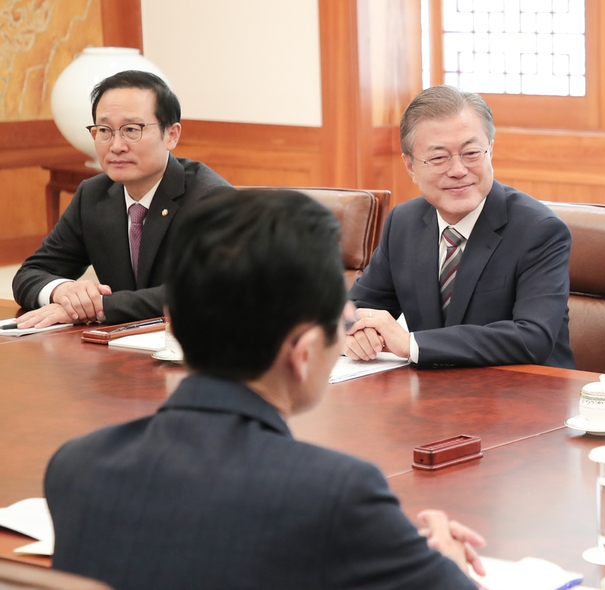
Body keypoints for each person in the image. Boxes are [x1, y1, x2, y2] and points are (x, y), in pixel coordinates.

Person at [44, 189, 485, 590]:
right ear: (304, 352)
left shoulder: (77, 466)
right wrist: (445, 562)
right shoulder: (335, 494)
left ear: (174, 324)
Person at [345, 85, 575, 369]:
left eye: (471, 153)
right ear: (410, 166)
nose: (457, 170)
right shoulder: (403, 223)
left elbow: (532, 338)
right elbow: (353, 309)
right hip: (432, 396)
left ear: (490, 150)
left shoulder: (539, 231)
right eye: (439, 158)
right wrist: (354, 333)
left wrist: (412, 344)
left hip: (525, 398)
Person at [12, 70, 229, 327]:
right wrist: (62, 291)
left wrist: (98, 307)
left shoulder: (211, 199)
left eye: (131, 130)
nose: (116, 146)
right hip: (117, 351)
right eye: (104, 130)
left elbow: (201, 292)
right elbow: (30, 273)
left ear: (171, 134)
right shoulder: (93, 195)